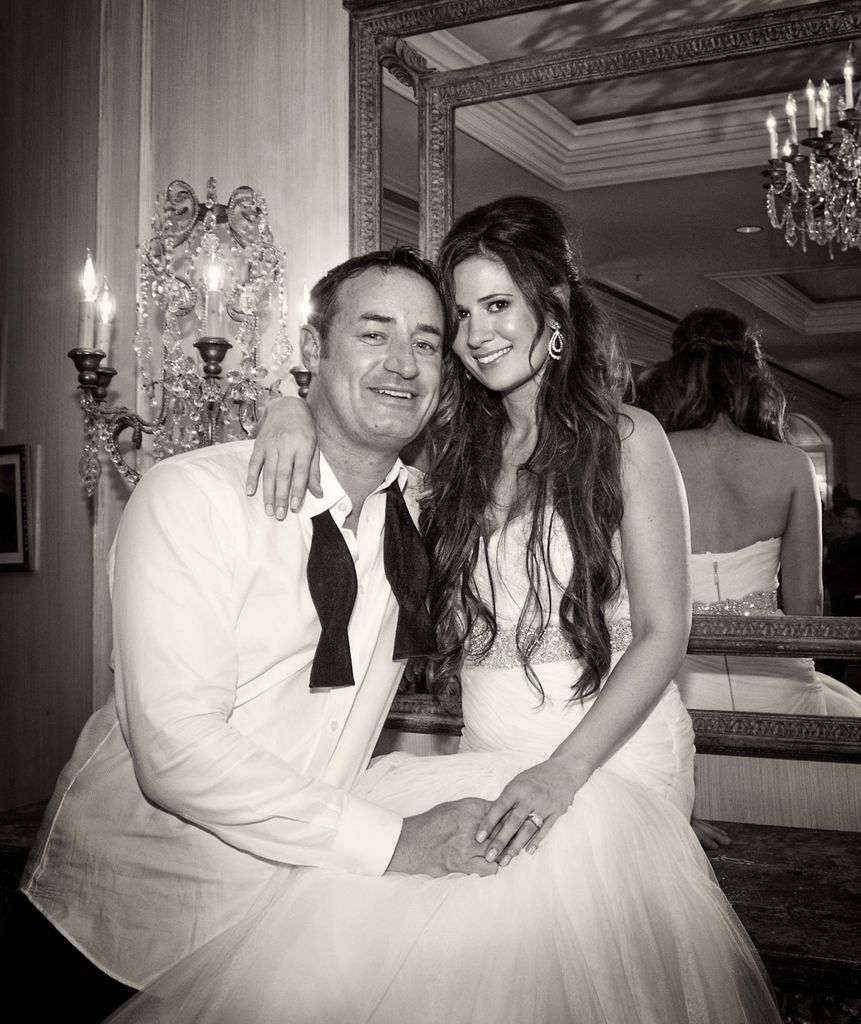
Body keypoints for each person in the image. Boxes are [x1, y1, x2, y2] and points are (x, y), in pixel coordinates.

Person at [105, 197, 780, 1023]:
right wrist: (283, 410)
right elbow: (352, 430)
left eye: (496, 306)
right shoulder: (453, 454)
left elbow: (665, 632)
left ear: (554, 308)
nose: (474, 335)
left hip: (598, 762)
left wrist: (563, 779)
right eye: (458, 316)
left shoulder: (628, 439)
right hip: (485, 753)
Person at [3, 248, 501, 1023]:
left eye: (428, 342)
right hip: (123, 921)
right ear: (312, 350)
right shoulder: (193, 497)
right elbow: (175, 751)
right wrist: (392, 843)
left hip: (288, 926)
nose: (404, 363)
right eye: (373, 334)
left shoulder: (431, 515)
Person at [638, 307, 861, 716]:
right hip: (776, 680)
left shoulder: (646, 456)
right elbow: (806, 607)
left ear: (676, 374)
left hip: (676, 682)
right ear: (752, 377)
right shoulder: (791, 464)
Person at [824, 498, 861, 617]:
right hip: (837, 601)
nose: (848, 522)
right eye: (845, 517)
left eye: (853, 518)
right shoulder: (836, 543)